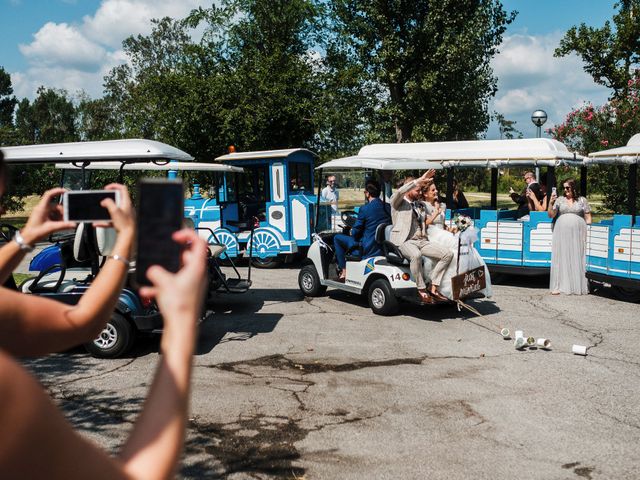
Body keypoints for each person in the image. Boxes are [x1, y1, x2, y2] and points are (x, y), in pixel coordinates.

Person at [0, 150, 208, 479]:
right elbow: (83, 322)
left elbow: (84, 322)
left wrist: (26, 238)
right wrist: (181, 317)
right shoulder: (8, 396)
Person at [420, 182, 492, 299]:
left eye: (436, 189)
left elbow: (442, 225)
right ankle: (444, 286)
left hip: (441, 233)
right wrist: (436, 213)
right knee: (454, 246)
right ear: (425, 194)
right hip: (431, 234)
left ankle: (462, 280)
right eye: (433, 190)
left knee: (463, 245)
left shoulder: (439, 205)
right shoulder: (423, 205)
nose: (436, 192)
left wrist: (451, 229)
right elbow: (424, 223)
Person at [389, 171, 452, 303]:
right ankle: (421, 288)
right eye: (417, 190)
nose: (419, 193)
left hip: (422, 240)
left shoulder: (420, 205)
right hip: (404, 241)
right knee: (416, 255)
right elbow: (399, 192)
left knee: (447, 254)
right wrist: (418, 180)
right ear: (409, 189)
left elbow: (430, 217)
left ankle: (433, 286)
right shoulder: (397, 203)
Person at [333, 180, 391, 280]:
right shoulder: (388, 207)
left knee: (337, 238)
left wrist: (351, 230)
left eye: (365, 192)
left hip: (366, 249)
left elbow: (355, 233)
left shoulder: (365, 209)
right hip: (382, 247)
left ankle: (344, 270)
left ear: (367, 193)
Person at [547, 177, 592, 295]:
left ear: (573, 188)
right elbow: (551, 215)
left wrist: (589, 231)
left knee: (577, 256)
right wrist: (551, 203)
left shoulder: (582, 200)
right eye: (564, 188)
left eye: (567, 187)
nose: (565, 190)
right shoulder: (560, 200)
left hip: (578, 233)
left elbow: (588, 217)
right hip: (561, 233)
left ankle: (576, 285)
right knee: (562, 255)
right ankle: (560, 285)